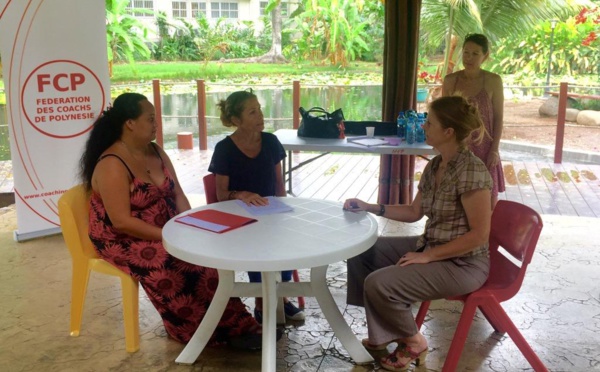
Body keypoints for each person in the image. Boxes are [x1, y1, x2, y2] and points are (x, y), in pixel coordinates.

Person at [80, 92, 263, 349]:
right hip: (123, 238)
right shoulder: (112, 163)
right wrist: (171, 237)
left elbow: (177, 193)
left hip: (165, 226)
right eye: (151, 118)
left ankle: (236, 324)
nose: (157, 123)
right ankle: (195, 331)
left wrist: (191, 223)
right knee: (172, 262)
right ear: (130, 123)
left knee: (207, 255)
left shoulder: (154, 150)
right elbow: (121, 221)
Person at [344, 95, 493, 371]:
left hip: (463, 264)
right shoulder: (436, 165)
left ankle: (413, 341)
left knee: (380, 283)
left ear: (448, 132)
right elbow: (414, 212)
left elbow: (479, 235)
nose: (423, 126)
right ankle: (385, 333)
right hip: (433, 248)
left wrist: (429, 256)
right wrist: (370, 207)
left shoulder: (471, 171)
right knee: (361, 253)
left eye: (429, 122)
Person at [207, 89, 305, 324]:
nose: (260, 115)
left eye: (259, 109)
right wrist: (241, 195)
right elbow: (221, 194)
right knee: (256, 245)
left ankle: (280, 298)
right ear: (235, 120)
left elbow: (279, 184)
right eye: (252, 112)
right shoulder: (225, 148)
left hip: (270, 211)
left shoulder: (270, 141)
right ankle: (262, 301)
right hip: (239, 215)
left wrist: (285, 213)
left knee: (287, 239)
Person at [442, 33, 505, 208]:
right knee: (455, 198)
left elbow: (499, 117)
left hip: (485, 148)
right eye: (466, 52)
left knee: (485, 201)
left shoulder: (493, 81)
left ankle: (484, 235)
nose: (469, 58)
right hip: (457, 147)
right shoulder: (450, 81)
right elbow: (442, 116)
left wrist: (494, 149)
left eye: (475, 53)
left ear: (485, 56)